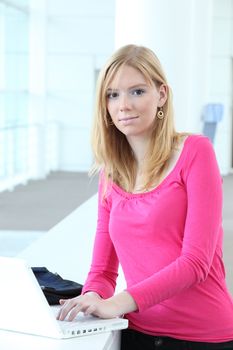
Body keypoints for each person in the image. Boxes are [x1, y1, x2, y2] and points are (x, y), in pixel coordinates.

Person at [57, 44, 233, 349]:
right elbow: (102, 271)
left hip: (204, 336)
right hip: (136, 331)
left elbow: (195, 262)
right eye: (112, 94)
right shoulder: (111, 174)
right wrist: (92, 297)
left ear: (161, 94)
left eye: (137, 91)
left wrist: (117, 303)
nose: (123, 104)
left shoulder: (195, 152)